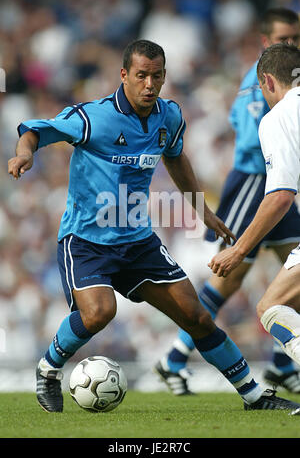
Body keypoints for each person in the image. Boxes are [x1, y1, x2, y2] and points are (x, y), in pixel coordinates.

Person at [8, 39, 300, 414]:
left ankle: (254, 396)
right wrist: (24, 152)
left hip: (138, 241)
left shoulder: (169, 116)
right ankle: (48, 370)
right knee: (99, 313)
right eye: (142, 75)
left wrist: (202, 211)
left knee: (196, 316)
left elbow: (176, 158)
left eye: (157, 76)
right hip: (86, 241)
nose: (150, 84)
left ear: (164, 77)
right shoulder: (91, 117)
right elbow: (35, 130)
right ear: (124, 75)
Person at [154, 8, 300, 396]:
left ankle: (284, 365)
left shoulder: (286, 77)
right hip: (257, 181)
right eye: (284, 38)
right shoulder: (264, 79)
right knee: (227, 279)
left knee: (290, 276)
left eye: (295, 37)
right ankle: (174, 357)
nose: (292, 44)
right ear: (267, 42)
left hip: (275, 182)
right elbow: (253, 140)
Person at [209, 42, 300, 383]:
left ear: (267, 82)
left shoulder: (278, 117)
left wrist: (239, 249)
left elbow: (279, 197)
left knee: (271, 307)